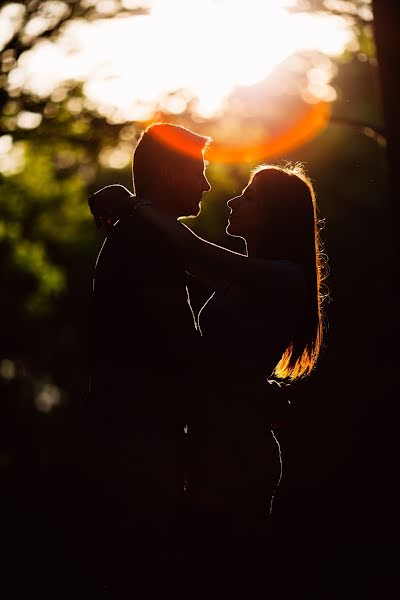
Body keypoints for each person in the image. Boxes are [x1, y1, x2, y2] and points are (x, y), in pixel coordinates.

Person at [90, 161, 326, 594]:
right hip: (212, 438)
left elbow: (186, 244)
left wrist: (134, 204)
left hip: (237, 445)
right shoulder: (237, 278)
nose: (233, 199)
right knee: (207, 570)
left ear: (277, 214)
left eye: (250, 196)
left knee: (229, 574)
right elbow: (160, 263)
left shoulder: (281, 277)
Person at [81, 122, 211, 596]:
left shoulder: (148, 235)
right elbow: (180, 340)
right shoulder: (147, 242)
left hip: (131, 428)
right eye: (198, 170)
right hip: (138, 433)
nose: (206, 183)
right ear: (169, 172)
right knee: (143, 565)